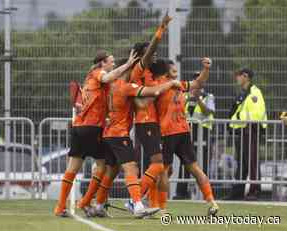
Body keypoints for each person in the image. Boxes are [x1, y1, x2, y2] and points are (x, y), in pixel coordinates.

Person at [92, 58, 182, 218]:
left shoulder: (112, 86)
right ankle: (137, 203)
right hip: (121, 133)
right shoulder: (127, 86)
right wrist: (168, 85)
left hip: (110, 132)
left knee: (111, 171)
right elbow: (147, 97)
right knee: (133, 168)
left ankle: (97, 204)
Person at [54, 49, 138, 217]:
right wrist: (128, 65)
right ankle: (85, 202)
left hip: (79, 127)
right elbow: (107, 77)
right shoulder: (98, 73)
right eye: (111, 61)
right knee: (102, 167)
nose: (113, 64)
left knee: (73, 168)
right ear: (102, 63)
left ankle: (60, 207)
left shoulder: (90, 78)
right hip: (91, 128)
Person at [152, 58, 219, 215]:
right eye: (173, 70)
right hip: (175, 132)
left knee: (169, 171)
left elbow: (197, 84)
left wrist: (206, 69)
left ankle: (162, 209)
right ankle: (211, 202)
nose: (176, 73)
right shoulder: (165, 85)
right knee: (173, 171)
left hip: (173, 132)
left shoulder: (172, 85)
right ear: (165, 72)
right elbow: (196, 84)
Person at [127, 11, 172, 211]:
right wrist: (162, 28)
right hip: (145, 122)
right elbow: (144, 100)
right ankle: (135, 200)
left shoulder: (150, 72)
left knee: (157, 165)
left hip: (150, 122)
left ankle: (153, 204)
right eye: (150, 53)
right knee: (157, 163)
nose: (154, 55)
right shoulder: (140, 67)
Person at [225, 68, 267, 201]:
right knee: (242, 164)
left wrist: (246, 124)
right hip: (243, 131)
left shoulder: (254, 93)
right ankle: (237, 193)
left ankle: (254, 191)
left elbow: (255, 114)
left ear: (245, 76)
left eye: (238, 76)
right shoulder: (244, 93)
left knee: (252, 162)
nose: (237, 79)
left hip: (251, 131)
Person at [174, 74, 215, 199]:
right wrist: (188, 98)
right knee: (185, 161)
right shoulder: (184, 95)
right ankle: (181, 192)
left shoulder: (208, 96)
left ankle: (206, 194)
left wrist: (198, 99)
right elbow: (177, 109)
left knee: (203, 162)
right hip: (187, 132)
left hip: (203, 132)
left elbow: (209, 111)